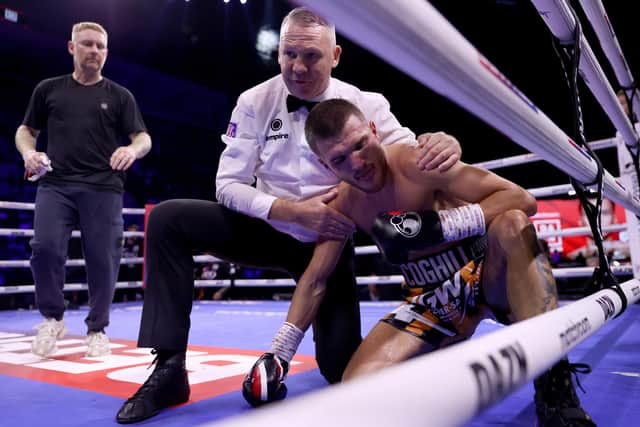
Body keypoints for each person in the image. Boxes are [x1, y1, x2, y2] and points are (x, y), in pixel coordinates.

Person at [115, 7, 462, 424]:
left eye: (311, 56)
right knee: (169, 218)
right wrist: (289, 210)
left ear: (335, 55)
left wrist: (441, 141)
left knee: (340, 369)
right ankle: (169, 369)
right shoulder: (255, 101)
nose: (297, 67)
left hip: (328, 243)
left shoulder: (366, 104)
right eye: (287, 54)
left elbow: (409, 155)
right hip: (263, 228)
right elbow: (227, 185)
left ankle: (420, 344)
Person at [242, 98, 595, 427]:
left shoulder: (415, 163)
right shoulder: (344, 205)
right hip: (431, 303)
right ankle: (445, 359)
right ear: (324, 165)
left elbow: (521, 200)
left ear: (374, 131)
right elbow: (315, 279)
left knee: (513, 224)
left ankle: (555, 387)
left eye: (360, 144)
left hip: (487, 276)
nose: (357, 163)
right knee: (356, 385)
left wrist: (442, 226)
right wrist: (279, 352)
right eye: (339, 160)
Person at [15, 22, 151, 358]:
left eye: (100, 46)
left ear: (106, 52)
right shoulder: (49, 89)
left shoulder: (120, 95)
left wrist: (132, 150)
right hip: (56, 183)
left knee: (103, 259)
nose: (94, 51)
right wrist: (29, 153)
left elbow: (143, 137)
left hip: (103, 187)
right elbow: (25, 130)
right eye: (87, 44)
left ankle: (97, 329)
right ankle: (52, 318)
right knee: (44, 248)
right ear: (72, 48)